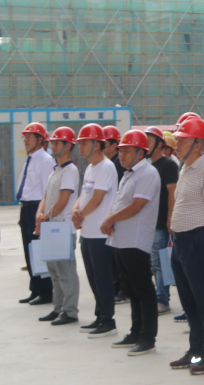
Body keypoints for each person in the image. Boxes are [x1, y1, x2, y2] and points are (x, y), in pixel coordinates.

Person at [167, 116, 204, 374]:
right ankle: (196, 350)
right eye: (178, 139)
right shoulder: (185, 168)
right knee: (188, 300)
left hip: (198, 241)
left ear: (199, 144)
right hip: (180, 242)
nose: (178, 143)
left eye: (183, 139)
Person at [102, 130, 163, 356]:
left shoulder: (148, 173)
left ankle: (148, 337)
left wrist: (110, 219)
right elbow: (119, 201)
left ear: (141, 152)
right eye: (120, 150)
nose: (122, 155)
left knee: (143, 290)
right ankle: (136, 331)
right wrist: (110, 218)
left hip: (135, 241)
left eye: (127, 151)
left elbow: (137, 205)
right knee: (131, 290)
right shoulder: (129, 173)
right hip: (121, 239)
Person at [71, 124, 120, 338]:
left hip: (100, 233)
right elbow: (84, 195)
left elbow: (98, 199)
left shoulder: (106, 167)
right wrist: (75, 210)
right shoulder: (91, 168)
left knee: (102, 278)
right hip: (87, 232)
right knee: (93, 278)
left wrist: (79, 215)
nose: (80, 147)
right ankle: (100, 315)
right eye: (80, 143)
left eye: (84, 143)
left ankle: (108, 320)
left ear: (97, 145)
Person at [35, 127, 82, 326]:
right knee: (54, 271)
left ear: (68, 146)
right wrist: (39, 214)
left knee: (66, 272)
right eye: (52, 143)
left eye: (56, 143)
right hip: (51, 226)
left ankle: (70, 311)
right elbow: (46, 197)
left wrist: (45, 217)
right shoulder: (56, 170)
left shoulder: (70, 171)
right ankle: (58, 308)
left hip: (62, 227)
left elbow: (63, 201)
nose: (52, 146)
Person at [17, 123, 55, 306]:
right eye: (24, 137)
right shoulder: (31, 159)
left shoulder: (46, 160)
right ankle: (35, 289)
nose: (25, 140)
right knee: (29, 250)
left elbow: (48, 192)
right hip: (27, 208)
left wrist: (42, 216)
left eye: (29, 137)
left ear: (40, 139)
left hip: (37, 209)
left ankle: (46, 291)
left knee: (39, 251)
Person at [146, 126, 179, 317]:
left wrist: (169, 218)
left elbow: (172, 192)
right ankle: (158, 296)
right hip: (149, 222)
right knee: (154, 262)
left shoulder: (168, 165)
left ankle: (162, 299)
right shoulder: (146, 165)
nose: (145, 145)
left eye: (149, 141)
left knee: (160, 262)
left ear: (160, 144)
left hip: (161, 223)